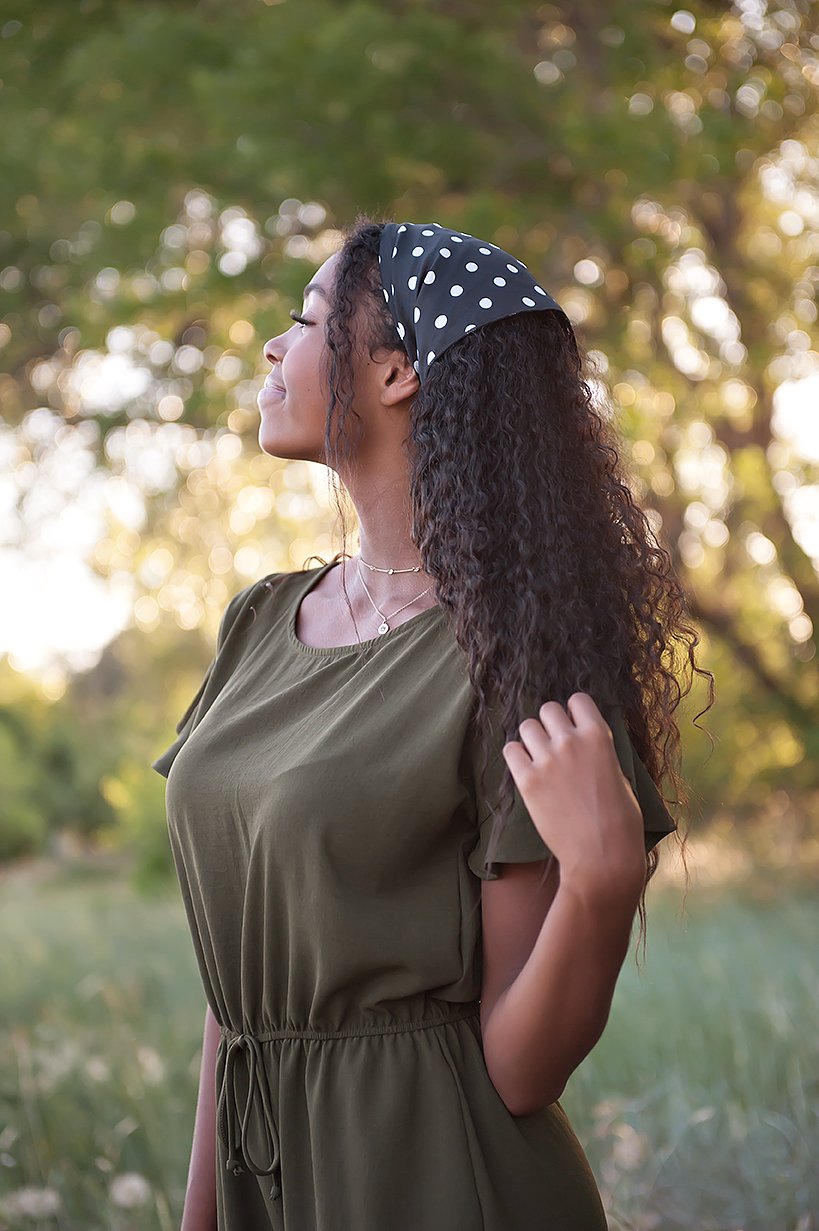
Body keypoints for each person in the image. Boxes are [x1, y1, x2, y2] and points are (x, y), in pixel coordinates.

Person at [152, 216, 703, 1230]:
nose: (274, 347)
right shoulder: (258, 622)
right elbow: (236, 999)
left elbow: (520, 1067)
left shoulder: (515, 658)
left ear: (398, 370)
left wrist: (604, 884)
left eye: (305, 319)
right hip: (261, 1175)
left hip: (439, 1178)